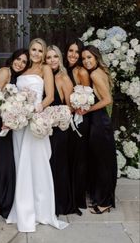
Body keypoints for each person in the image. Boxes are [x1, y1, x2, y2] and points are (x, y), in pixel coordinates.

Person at [6, 38, 69, 232]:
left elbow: (49, 96)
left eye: (40, 51)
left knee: (35, 164)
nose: (36, 54)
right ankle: (23, 209)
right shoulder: (22, 71)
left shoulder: (45, 70)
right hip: (19, 124)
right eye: (34, 49)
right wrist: (15, 110)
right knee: (20, 163)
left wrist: (35, 110)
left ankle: (40, 211)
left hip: (34, 121)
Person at [0, 48, 30, 218]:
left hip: (7, 122)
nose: (20, 63)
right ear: (12, 59)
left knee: (2, 162)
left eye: (24, 62)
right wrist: (5, 118)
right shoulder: (5, 72)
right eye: (18, 59)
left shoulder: (15, 76)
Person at [80, 45, 117, 214]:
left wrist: (88, 109)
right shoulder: (100, 72)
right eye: (84, 58)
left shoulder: (95, 74)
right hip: (101, 120)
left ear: (96, 57)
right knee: (101, 161)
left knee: (101, 162)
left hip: (99, 121)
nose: (86, 61)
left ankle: (104, 203)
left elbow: (107, 100)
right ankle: (102, 197)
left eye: (89, 57)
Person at [46, 45, 73, 215]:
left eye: (55, 56)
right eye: (48, 57)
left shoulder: (63, 78)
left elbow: (70, 108)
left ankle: (60, 204)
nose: (52, 60)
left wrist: (56, 118)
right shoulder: (43, 77)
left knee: (58, 166)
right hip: (43, 129)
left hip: (59, 129)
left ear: (60, 58)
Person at [64, 38, 90, 215]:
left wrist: (78, 107)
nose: (73, 55)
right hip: (69, 120)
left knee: (79, 159)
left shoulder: (81, 71)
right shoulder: (65, 70)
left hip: (80, 120)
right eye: (70, 51)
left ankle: (78, 197)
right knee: (70, 158)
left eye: (76, 52)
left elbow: (88, 97)